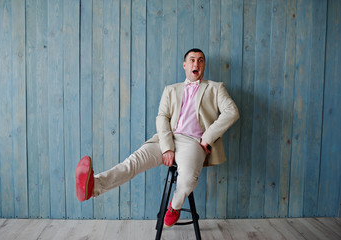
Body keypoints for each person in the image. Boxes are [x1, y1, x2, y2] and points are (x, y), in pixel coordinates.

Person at [75, 48, 239, 227]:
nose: (196, 63)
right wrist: (167, 147)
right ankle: (94, 186)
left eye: (200, 60)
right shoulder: (171, 89)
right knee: (133, 162)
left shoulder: (216, 88)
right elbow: (162, 117)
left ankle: (175, 206)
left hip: (193, 143)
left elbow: (232, 112)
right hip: (166, 138)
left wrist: (207, 138)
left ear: (204, 66)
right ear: (185, 65)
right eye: (192, 60)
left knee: (187, 179)